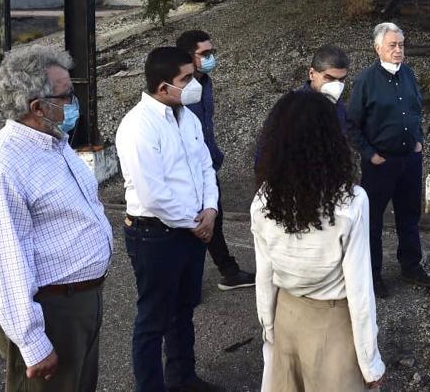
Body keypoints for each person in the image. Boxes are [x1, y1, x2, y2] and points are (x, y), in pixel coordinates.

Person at [0, 46, 112, 391]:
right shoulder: (0, 167)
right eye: (67, 95)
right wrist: (33, 343)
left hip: (80, 301)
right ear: (38, 107)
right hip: (51, 311)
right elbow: (4, 263)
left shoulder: (54, 142)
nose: (74, 101)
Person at [252, 91, 385, 391]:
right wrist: (370, 362)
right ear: (332, 140)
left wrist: (270, 332)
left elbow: (264, 276)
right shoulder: (351, 203)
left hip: (286, 314)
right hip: (333, 323)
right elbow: (360, 290)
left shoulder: (263, 201)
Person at [116, 46, 222, 392]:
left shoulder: (186, 116)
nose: (194, 84)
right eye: (186, 79)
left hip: (191, 229)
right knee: (153, 319)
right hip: (155, 235)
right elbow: (153, 194)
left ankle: (183, 378)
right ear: (163, 88)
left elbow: (205, 166)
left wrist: (210, 209)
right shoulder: (137, 127)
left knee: (183, 310)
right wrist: (195, 223)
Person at [347, 22, 430, 298]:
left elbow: (415, 110)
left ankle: (411, 266)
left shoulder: (408, 74)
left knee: (409, 217)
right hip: (380, 164)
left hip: (409, 160)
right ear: (378, 49)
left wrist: (419, 140)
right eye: (392, 46)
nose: (398, 50)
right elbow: (351, 124)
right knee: (372, 221)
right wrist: (370, 154)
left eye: (401, 45)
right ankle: (372, 275)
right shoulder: (365, 81)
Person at [176, 30, 255, 292]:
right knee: (192, 225)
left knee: (213, 219)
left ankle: (227, 272)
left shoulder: (205, 82)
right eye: (204, 54)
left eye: (211, 52)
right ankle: (191, 283)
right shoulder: (180, 90)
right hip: (188, 172)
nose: (210, 58)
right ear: (189, 56)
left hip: (207, 165)